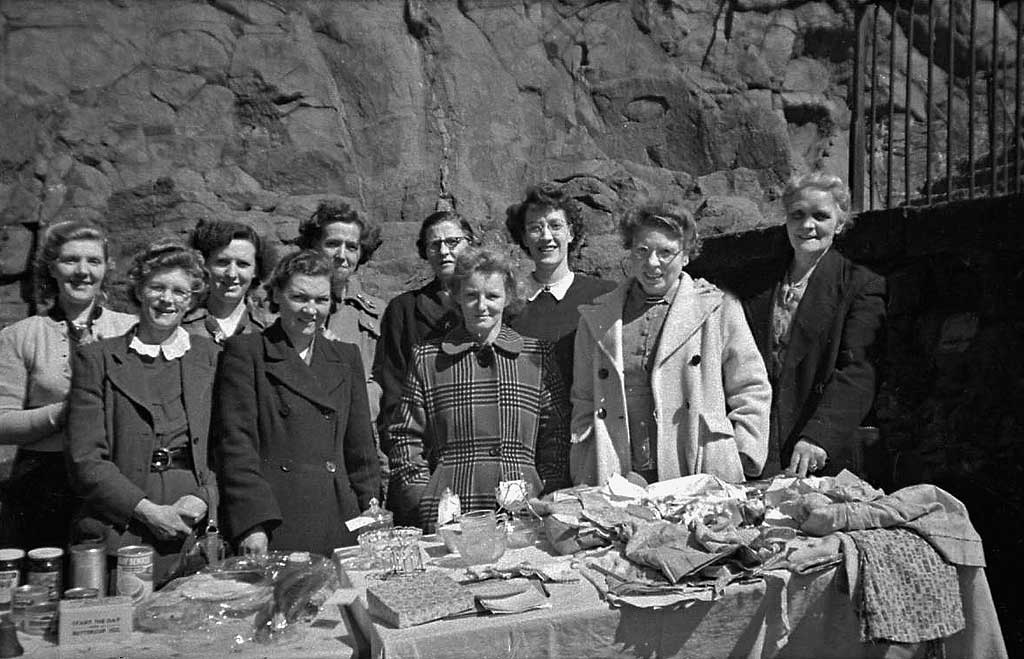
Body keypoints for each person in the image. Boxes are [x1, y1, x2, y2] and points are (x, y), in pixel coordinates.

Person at [570, 204, 771, 487]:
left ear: (686, 256)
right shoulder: (596, 318)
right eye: (642, 250)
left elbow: (751, 386)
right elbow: (583, 399)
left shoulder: (718, 309)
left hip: (697, 467)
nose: (652, 263)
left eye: (665, 252)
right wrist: (585, 460)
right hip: (618, 468)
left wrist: (742, 452)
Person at [66, 241, 218, 585]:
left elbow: (230, 444)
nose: (167, 299)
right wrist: (148, 512)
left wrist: (205, 496)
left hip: (192, 523)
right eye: (157, 287)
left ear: (191, 299)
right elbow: (85, 459)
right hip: (122, 523)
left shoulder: (210, 358)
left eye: (179, 291)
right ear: (138, 290)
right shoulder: (97, 359)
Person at [388, 248, 571, 533]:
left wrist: (547, 495)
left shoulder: (537, 356)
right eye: (472, 295)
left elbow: (556, 436)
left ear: (508, 298)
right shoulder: (428, 359)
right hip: (451, 511)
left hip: (523, 509)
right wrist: (425, 500)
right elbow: (405, 437)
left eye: (493, 296)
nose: (481, 306)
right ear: (457, 296)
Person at [214, 250, 380, 556]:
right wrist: (253, 522)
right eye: (299, 298)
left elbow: (361, 448)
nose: (311, 310)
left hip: (339, 516)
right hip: (275, 519)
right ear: (277, 295)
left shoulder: (346, 357)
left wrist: (371, 509)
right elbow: (237, 445)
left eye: (321, 300)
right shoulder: (246, 352)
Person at [0, 220, 136, 550]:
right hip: (44, 481)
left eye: (93, 261)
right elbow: (2, 422)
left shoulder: (131, 329)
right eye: (70, 260)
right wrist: (65, 414)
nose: (82, 271)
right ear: (52, 267)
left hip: (116, 475)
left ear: (106, 268)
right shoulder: (20, 335)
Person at [741, 173, 886, 478]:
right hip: (759, 446)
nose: (807, 225)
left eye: (820, 216)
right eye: (797, 215)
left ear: (840, 223)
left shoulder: (860, 285)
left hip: (818, 451)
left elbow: (857, 370)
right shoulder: (758, 285)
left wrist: (818, 436)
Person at [373, 211, 477, 469]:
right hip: (425, 454)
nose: (444, 251)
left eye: (453, 242)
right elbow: (393, 386)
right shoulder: (403, 310)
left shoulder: (492, 305)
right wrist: (403, 455)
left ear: (470, 243)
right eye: (435, 244)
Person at [505, 184, 616, 389]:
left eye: (555, 226)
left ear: (571, 233)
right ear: (524, 238)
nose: (546, 236)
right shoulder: (506, 300)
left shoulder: (605, 296)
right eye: (535, 228)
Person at [295, 201, 385, 414]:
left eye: (351, 247)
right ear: (313, 246)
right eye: (333, 244)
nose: (342, 255)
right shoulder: (287, 309)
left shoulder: (378, 314)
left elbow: (387, 383)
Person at [182, 219, 269, 344]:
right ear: (203, 265)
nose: (232, 274)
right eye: (222, 262)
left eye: (242, 264)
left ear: (256, 270)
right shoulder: (179, 324)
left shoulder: (270, 330)